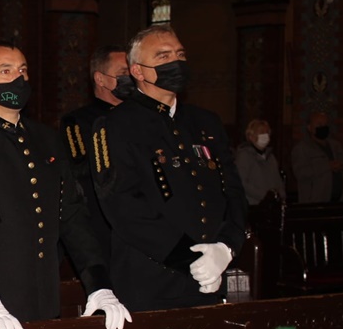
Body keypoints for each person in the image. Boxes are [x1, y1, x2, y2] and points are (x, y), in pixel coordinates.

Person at [0, 39, 131, 329]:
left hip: (43, 299)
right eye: (6, 71)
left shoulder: (45, 138)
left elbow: (72, 215)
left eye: (22, 70)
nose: (18, 78)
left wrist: (99, 284)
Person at [93, 24, 247, 311]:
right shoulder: (116, 124)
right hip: (152, 281)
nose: (175, 62)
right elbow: (123, 206)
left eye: (180, 54)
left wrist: (226, 247)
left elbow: (234, 191)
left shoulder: (206, 122)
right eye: (163, 56)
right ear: (138, 71)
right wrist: (190, 260)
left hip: (212, 275)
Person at [58, 45, 130, 263]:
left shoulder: (141, 117)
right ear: (100, 79)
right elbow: (81, 169)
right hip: (101, 220)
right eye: (123, 73)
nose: (130, 78)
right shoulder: (78, 121)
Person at [291, 111, 343, 203]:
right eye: (319, 124)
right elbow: (301, 173)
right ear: (309, 128)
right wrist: (327, 166)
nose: (323, 127)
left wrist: (341, 165)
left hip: (340, 201)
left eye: (325, 124)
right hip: (315, 202)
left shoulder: (336, 146)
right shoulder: (302, 149)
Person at [235, 119, 285, 205]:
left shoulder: (271, 157)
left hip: (272, 205)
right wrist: (264, 195)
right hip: (253, 204)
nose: (265, 135)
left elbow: (278, 180)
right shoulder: (244, 156)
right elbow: (242, 182)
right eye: (261, 132)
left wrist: (281, 195)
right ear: (251, 136)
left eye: (267, 132)